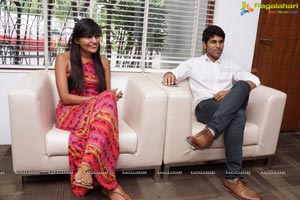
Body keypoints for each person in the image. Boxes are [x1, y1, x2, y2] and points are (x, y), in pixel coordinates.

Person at [162, 25, 263, 200]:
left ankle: (210, 132)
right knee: (238, 115)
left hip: (226, 104)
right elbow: (175, 73)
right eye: (213, 42)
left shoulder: (231, 65)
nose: (218, 46)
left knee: (241, 85)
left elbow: (255, 79)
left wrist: (230, 92)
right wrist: (170, 74)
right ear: (204, 45)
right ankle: (233, 178)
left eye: (221, 42)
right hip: (206, 106)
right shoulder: (193, 63)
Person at [54, 18, 130, 200]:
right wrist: (99, 99)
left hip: (95, 113)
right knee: (107, 99)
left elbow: (106, 94)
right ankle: (110, 186)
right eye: (88, 36)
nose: (94, 41)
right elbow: (65, 97)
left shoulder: (103, 62)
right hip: (69, 112)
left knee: (109, 98)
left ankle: (86, 166)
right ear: (77, 39)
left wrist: (109, 97)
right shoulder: (63, 59)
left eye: (97, 36)